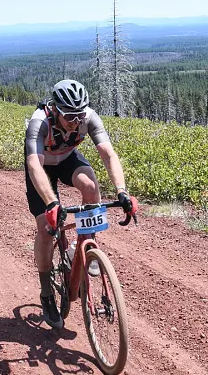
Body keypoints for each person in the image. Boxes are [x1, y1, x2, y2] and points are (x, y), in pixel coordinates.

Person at [24, 79, 137, 329]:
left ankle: (83, 246)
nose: (75, 121)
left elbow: (108, 154)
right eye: (69, 116)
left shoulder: (89, 117)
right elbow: (34, 165)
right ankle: (46, 294)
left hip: (66, 159)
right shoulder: (39, 122)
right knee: (46, 227)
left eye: (79, 115)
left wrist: (122, 191)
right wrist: (52, 203)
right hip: (41, 165)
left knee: (91, 188)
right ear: (55, 109)